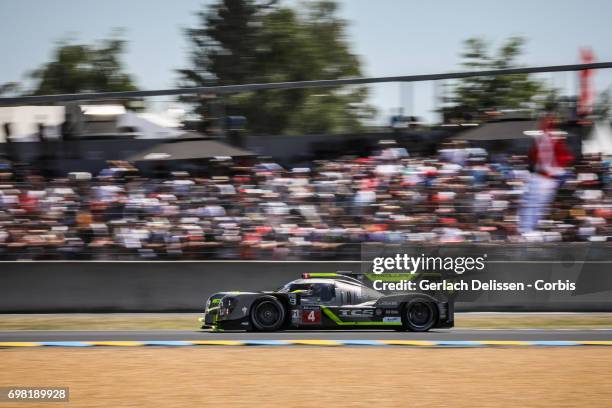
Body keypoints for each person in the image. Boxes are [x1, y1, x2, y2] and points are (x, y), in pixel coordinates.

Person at [519, 115, 574, 234]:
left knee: (534, 206)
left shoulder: (546, 138)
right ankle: (527, 231)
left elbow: (532, 157)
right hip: (546, 179)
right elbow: (566, 158)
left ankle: (526, 231)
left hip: (544, 179)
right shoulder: (552, 138)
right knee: (536, 206)